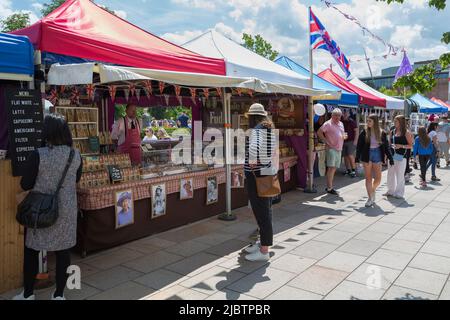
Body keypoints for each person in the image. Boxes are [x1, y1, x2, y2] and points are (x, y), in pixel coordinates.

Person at [13, 114, 82, 300]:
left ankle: (28, 295)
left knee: (32, 250)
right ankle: (59, 295)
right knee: (63, 252)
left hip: (40, 211)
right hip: (66, 210)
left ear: (46, 132)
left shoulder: (38, 154)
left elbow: (26, 184)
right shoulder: (75, 155)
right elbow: (76, 179)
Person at [243, 103, 277, 262]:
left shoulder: (257, 130)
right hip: (266, 174)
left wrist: (252, 161)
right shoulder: (269, 129)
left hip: (256, 176)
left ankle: (264, 251)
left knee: (262, 212)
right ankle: (262, 243)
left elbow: (253, 152)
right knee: (265, 211)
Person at [356, 114, 393, 207]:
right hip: (366, 154)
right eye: (367, 120)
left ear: (375, 122)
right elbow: (359, 146)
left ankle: (372, 190)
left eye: (369, 121)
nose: (367, 122)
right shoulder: (364, 132)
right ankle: (370, 198)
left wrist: (390, 158)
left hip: (377, 154)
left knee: (378, 178)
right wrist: (357, 158)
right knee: (368, 177)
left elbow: (386, 147)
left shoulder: (382, 133)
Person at [317, 108, 345, 195]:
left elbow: (341, 134)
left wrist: (343, 137)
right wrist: (326, 141)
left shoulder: (341, 123)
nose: (337, 117)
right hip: (331, 148)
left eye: (339, 115)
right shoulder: (328, 124)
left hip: (339, 148)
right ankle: (329, 188)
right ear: (332, 115)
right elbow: (319, 132)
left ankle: (329, 187)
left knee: (334, 168)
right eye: (335, 115)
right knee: (331, 168)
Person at [384, 115, 413, 199]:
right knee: (390, 173)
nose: (394, 122)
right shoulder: (392, 131)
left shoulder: (406, 132)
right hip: (392, 156)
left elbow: (411, 145)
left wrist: (401, 146)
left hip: (401, 156)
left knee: (400, 175)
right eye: (394, 121)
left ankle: (399, 193)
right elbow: (389, 144)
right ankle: (390, 191)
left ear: (401, 122)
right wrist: (386, 155)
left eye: (396, 121)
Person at [341, 110, 359, 178]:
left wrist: (355, 141)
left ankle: (353, 171)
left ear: (348, 114)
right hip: (344, 141)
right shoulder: (341, 121)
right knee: (345, 156)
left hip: (351, 141)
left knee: (350, 155)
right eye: (344, 113)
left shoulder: (351, 121)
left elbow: (356, 131)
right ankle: (348, 170)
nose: (345, 114)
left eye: (346, 113)